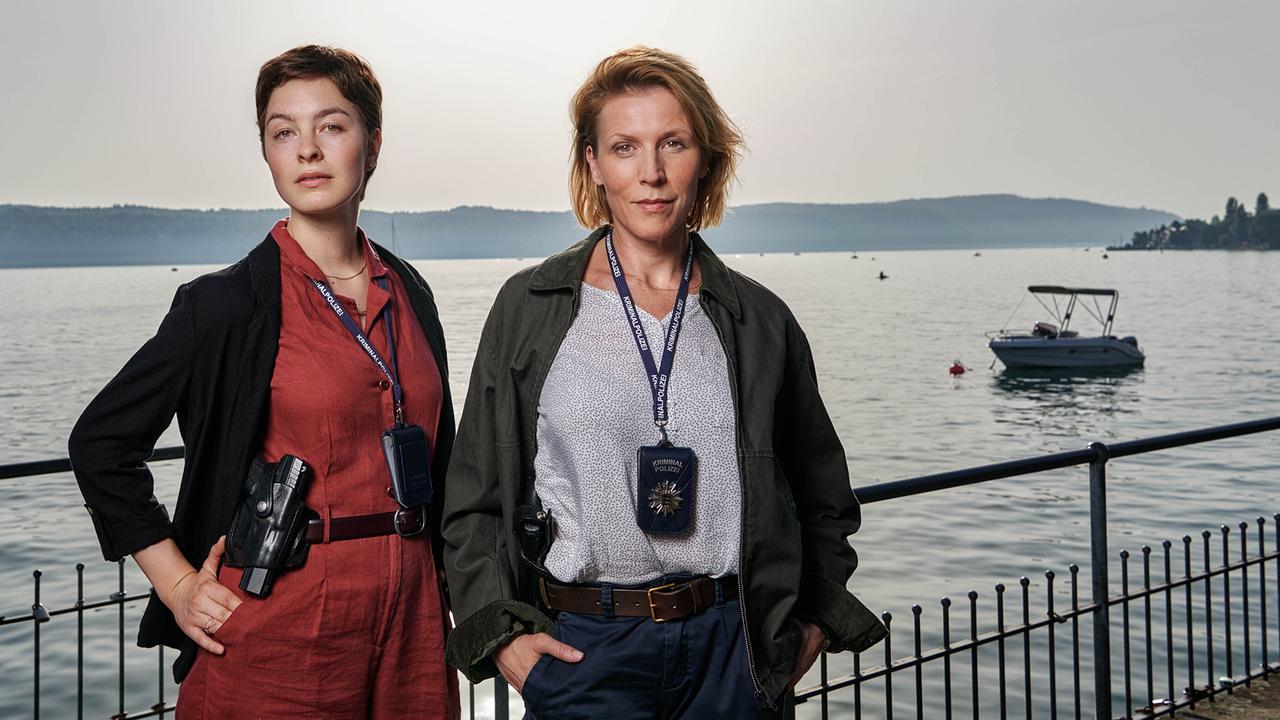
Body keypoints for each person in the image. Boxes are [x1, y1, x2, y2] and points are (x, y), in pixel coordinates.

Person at [441, 46, 886, 718]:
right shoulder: (529, 309)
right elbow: (473, 500)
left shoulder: (759, 320)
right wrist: (505, 642)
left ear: (704, 158)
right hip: (584, 648)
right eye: (625, 146)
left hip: (733, 649)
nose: (650, 173)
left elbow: (826, 500)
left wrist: (812, 626)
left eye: (672, 143)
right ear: (592, 163)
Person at [68, 45, 459, 719]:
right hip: (284, 623)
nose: (307, 149)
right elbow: (100, 444)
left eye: (331, 126)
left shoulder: (411, 290)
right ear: (268, 153)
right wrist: (179, 584)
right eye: (284, 132)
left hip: (414, 623)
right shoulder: (227, 304)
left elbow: (444, 459)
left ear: (373, 141)